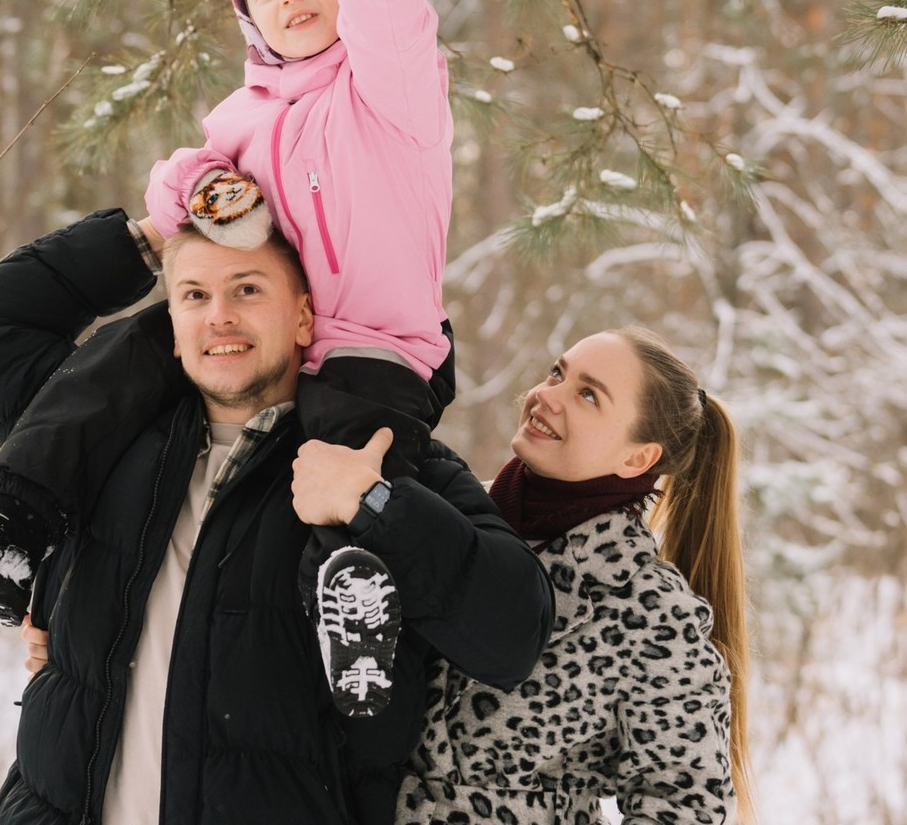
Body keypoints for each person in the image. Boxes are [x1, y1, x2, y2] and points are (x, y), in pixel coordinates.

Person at [0, 0, 454, 716]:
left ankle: (358, 612)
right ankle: (17, 530)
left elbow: (397, 23)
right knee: (126, 354)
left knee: (339, 461)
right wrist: (205, 192)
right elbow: (180, 185)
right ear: (247, 18)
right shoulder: (241, 117)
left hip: (378, 344)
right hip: (263, 328)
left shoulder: (390, 97)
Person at [0, 207, 553, 825]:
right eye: (195, 294)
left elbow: (512, 635)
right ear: (171, 326)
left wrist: (373, 506)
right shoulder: (92, 438)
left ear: (306, 315)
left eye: (248, 289)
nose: (219, 316)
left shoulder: (388, 463)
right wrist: (164, 223)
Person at [292, 325, 753, 824]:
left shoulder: (649, 610)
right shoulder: (435, 510)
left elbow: (687, 805)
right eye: (558, 372)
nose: (546, 396)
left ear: (638, 458)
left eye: (588, 395)